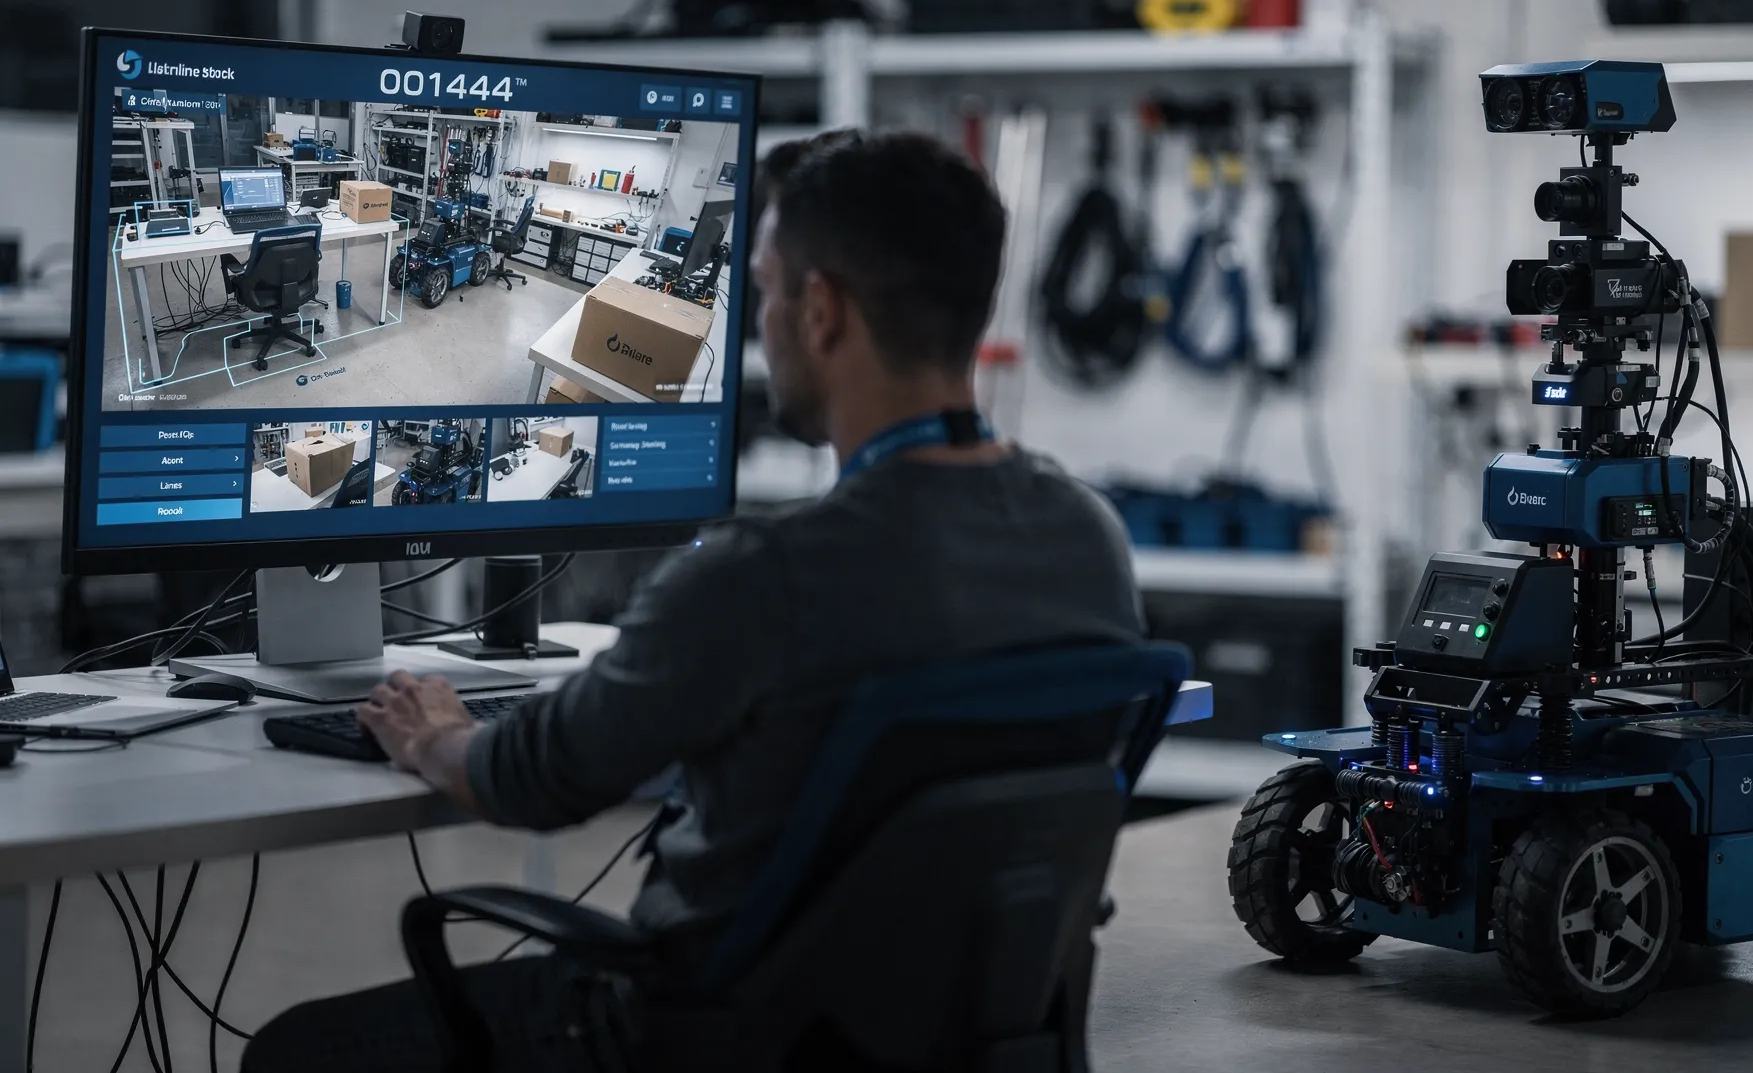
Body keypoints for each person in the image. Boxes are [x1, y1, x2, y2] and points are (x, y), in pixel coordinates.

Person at [241, 131, 1146, 1072]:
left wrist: (435, 735)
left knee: (296, 1051)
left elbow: (536, 777)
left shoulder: (765, 575)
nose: (758, 319)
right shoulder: (1089, 537)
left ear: (822, 310)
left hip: (705, 1029)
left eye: (762, 289)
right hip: (949, 1029)